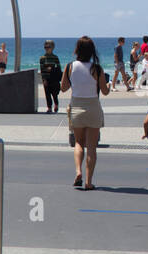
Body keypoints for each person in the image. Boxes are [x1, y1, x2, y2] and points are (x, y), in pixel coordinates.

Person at [61, 35, 111, 189]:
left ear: (77, 50)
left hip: (76, 106)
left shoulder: (70, 67)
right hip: (93, 108)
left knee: (78, 142)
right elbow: (105, 91)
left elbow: (63, 88)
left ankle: (78, 171)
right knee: (92, 146)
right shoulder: (96, 68)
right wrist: (108, 84)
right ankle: (89, 182)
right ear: (92, 51)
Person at [39, 39, 63, 113]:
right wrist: (44, 79)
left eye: (48, 47)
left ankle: (56, 104)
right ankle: (49, 107)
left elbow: (59, 68)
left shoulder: (55, 57)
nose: (46, 49)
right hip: (46, 78)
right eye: (45, 47)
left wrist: (53, 69)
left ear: (52, 47)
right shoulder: (42, 58)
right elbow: (42, 69)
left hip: (54, 78)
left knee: (54, 93)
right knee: (47, 93)